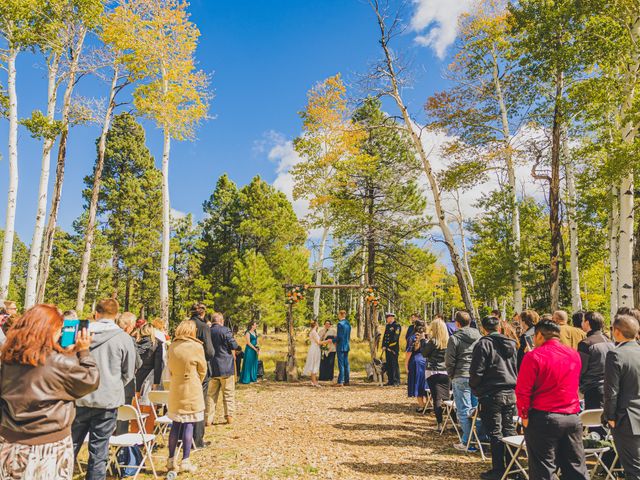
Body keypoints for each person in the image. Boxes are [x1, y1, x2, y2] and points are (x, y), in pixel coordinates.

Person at [0, 305, 99, 480]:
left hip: (9, 442)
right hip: (49, 445)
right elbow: (90, 381)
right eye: (58, 329)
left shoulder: (8, 359)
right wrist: (83, 352)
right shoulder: (58, 363)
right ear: (48, 330)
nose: (60, 334)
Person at [72, 298, 138, 480]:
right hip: (107, 401)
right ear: (116, 315)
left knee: (69, 447)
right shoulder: (124, 338)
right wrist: (113, 386)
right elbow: (128, 372)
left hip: (80, 397)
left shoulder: (81, 334)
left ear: (96, 313)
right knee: (99, 453)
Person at [515, 319, 588, 480]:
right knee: (575, 467)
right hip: (572, 416)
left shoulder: (534, 356)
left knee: (543, 468)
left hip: (544, 416)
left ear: (540, 335)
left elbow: (523, 390)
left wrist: (524, 415)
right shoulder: (573, 354)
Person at [469, 316, 517, 480]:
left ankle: (499, 469)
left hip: (492, 392)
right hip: (510, 390)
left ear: (483, 328)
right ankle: (513, 467)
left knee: (495, 432)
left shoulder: (484, 344)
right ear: (499, 327)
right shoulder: (511, 343)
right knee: (509, 430)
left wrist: (475, 388)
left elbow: (477, 370)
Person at [166, 320, 207, 474]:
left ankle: (171, 459)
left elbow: (169, 366)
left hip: (175, 386)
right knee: (189, 424)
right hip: (191, 386)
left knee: (175, 424)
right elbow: (203, 369)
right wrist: (196, 380)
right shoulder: (196, 346)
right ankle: (185, 460)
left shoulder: (172, 346)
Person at [603, 314, 640, 479]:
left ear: (616, 332)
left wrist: (610, 416)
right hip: (632, 415)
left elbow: (611, 391)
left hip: (626, 418)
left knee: (633, 468)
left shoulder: (616, 354)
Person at [445, 310, 481, 451]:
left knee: (464, 410)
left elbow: (450, 360)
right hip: (476, 375)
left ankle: (468, 442)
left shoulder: (455, 338)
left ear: (457, 323)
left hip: (460, 375)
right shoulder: (480, 337)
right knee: (476, 410)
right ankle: (479, 439)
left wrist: (451, 374)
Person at [189, 303, 215, 449]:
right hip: (200, 369)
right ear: (203, 313)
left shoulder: (183, 325)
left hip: (184, 369)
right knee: (200, 403)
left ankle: (183, 436)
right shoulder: (204, 327)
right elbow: (210, 352)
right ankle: (197, 439)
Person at [206, 312, 239, 425]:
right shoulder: (225, 330)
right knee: (228, 393)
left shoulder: (207, 331)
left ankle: (208, 419)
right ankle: (229, 417)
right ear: (221, 321)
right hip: (226, 367)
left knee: (210, 395)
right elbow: (234, 345)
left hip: (211, 368)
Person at [577, 311, 614, 409]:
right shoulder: (610, 342)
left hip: (592, 388)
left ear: (587, 323)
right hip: (610, 386)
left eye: (583, 321)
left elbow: (581, 368)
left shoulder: (585, 343)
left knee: (594, 421)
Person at [422, 318, 450, 430]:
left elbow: (424, 353)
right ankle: (451, 420)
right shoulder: (449, 341)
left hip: (433, 370)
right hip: (445, 371)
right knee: (447, 397)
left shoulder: (433, 342)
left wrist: (423, 341)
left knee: (436, 398)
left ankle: (439, 423)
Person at [406, 320, 427, 410]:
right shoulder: (427, 337)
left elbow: (409, 352)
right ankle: (428, 404)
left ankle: (421, 405)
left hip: (416, 361)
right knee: (426, 383)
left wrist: (406, 364)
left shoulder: (412, 338)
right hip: (426, 361)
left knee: (417, 382)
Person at [382, 313, 401, 386]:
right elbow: (385, 337)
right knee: (389, 364)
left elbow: (395, 338)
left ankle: (396, 381)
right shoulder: (388, 326)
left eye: (387, 318)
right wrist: (384, 345)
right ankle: (390, 380)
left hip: (393, 349)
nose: (386, 319)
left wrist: (389, 347)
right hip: (387, 348)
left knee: (394, 364)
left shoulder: (397, 326)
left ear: (391, 318)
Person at [335, 310, 351, 386]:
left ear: (340, 315)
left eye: (338, 314)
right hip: (346, 345)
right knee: (346, 364)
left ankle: (340, 381)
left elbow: (339, 337)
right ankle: (347, 381)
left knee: (341, 364)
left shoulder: (340, 324)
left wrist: (332, 340)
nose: (338, 316)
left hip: (340, 346)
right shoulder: (348, 323)